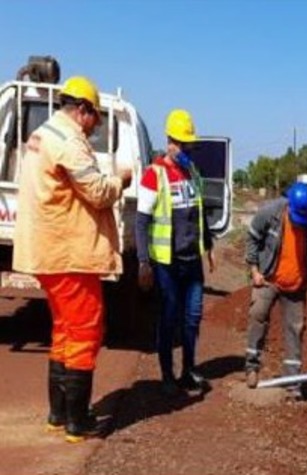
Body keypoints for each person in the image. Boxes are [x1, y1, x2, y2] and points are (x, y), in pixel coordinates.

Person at [13, 76, 132, 443]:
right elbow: (97, 192)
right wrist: (121, 180)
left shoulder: (43, 135)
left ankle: (58, 412)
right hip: (70, 253)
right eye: (95, 116)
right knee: (85, 331)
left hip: (49, 252)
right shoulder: (69, 143)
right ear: (82, 110)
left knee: (64, 331)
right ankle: (76, 421)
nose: (96, 124)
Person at [136, 109, 215, 396]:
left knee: (192, 318)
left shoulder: (192, 172)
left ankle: (188, 370)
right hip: (166, 263)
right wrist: (144, 262)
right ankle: (167, 375)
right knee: (169, 318)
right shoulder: (153, 175)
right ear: (169, 141)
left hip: (192, 261)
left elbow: (200, 212)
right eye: (180, 144)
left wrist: (208, 247)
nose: (185, 149)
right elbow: (141, 221)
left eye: (188, 145)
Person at [245, 182, 307, 399]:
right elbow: (253, 237)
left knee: (295, 328)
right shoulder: (271, 213)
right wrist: (254, 270)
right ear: (289, 205)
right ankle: (252, 367)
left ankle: (292, 381)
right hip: (268, 277)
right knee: (257, 315)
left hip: (296, 285)